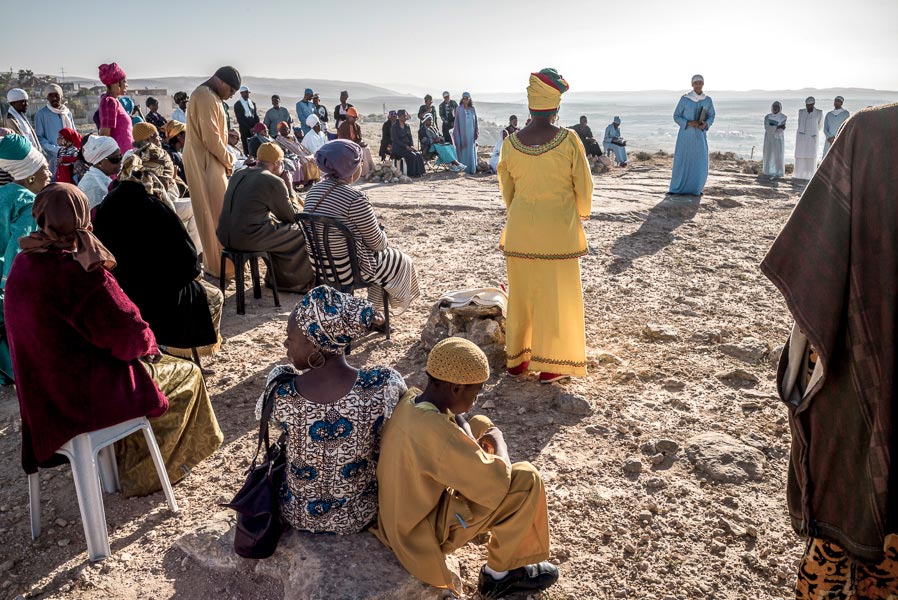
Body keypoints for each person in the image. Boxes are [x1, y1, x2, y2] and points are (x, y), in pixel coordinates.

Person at [759, 103, 898, 600]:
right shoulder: (868, 132)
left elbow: (814, 260)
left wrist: (809, 357)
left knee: (844, 504)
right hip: (865, 360)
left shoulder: (873, 133)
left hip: (863, 362)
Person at [6, 183, 222, 497]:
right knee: (188, 375)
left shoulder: (23, 263)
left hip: (43, 397)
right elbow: (130, 336)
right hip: (88, 397)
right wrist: (151, 346)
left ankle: (122, 464)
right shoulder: (79, 272)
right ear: (82, 218)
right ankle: (146, 473)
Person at [373, 337, 557, 598]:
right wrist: (498, 441)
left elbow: (456, 420)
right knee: (526, 479)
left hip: (398, 518)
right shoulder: (436, 432)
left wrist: (475, 436)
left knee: (479, 422)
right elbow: (498, 482)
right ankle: (500, 576)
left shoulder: (412, 400)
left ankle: (506, 547)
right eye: (476, 391)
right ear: (457, 388)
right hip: (421, 533)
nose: (476, 397)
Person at [258, 285, 396, 533]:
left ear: (315, 345)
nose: (285, 343)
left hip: (298, 514)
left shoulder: (283, 391)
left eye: (291, 338)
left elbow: (274, 423)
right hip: (358, 514)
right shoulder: (380, 386)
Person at [497, 68, 592, 384]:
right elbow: (584, 186)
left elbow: (507, 189)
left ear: (530, 106)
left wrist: (520, 213)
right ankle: (552, 366)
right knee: (556, 297)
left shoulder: (511, 143)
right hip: (557, 233)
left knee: (522, 295)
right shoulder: (569, 140)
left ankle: (517, 362)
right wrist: (580, 212)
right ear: (557, 107)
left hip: (520, 229)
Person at [93, 150, 222, 359]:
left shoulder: (108, 203)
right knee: (214, 297)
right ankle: (180, 353)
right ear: (156, 177)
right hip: (160, 298)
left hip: (119, 292)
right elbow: (189, 261)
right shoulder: (154, 206)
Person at [303, 140, 420, 313]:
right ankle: (375, 313)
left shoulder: (313, 192)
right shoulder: (355, 199)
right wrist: (381, 232)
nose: (362, 165)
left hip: (321, 266)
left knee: (381, 260)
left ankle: (372, 311)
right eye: (360, 162)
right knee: (401, 260)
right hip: (349, 269)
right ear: (349, 168)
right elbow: (378, 244)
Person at [217, 142, 315, 293]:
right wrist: (289, 187)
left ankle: (275, 277)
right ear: (277, 164)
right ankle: (291, 283)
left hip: (224, 235)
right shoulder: (273, 181)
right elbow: (291, 216)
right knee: (302, 232)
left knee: (278, 230)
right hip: (248, 238)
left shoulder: (239, 174)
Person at [0, 134, 50, 384]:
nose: (49, 171)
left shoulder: (4, 194)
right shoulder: (27, 202)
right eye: (44, 167)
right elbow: (18, 260)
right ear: (30, 174)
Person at [182, 65, 240, 279]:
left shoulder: (209, 96)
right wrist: (230, 159)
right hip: (206, 162)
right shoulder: (205, 96)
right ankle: (219, 267)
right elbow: (211, 139)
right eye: (231, 91)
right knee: (215, 213)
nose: (231, 96)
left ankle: (222, 265)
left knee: (217, 212)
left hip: (210, 161)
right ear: (222, 82)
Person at [669, 74, 716, 196]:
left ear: (703, 84)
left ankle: (696, 189)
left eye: (700, 82)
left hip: (700, 136)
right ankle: (677, 189)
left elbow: (712, 115)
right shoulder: (685, 99)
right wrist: (689, 123)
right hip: (686, 136)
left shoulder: (707, 100)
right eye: (696, 83)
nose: (698, 85)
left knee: (699, 161)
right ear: (692, 84)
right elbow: (676, 116)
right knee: (683, 160)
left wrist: (705, 124)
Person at [34, 84, 76, 177]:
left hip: (70, 156)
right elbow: (40, 138)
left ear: (61, 96)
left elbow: (74, 134)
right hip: (53, 158)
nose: (54, 98)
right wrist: (56, 150)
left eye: (56, 95)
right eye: (50, 95)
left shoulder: (67, 113)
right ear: (47, 98)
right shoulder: (41, 114)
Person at [97, 63, 133, 154]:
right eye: (124, 82)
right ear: (116, 84)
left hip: (126, 155)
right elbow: (105, 134)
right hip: (120, 157)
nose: (126, 85)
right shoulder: (109, 102)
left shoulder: (115, 101)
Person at [77, 135, 121, 208]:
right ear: (99, 162)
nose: (120, 162)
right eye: (115, 159)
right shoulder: (95, 187)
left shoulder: (99, 178)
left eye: (120, 157)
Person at [275, 122, 321, 187]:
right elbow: (284, 150)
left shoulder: (292, 137)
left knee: (312, 159)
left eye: (287, 128)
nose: (286, 130)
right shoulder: (279, 139)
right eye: (283, 129)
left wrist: (306, 153)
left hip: (301, 153)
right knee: (305, 162)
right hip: (292, 155)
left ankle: (312, 180)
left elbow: (300, 146)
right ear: (279, 131)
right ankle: (307, 182)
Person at [337, 107, 375, 175]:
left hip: (356, 145)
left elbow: (359, 138)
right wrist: (356, 144)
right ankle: (363, 172)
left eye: (356, 118)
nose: (355, 119)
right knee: (362, 150)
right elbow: (343, 140)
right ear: (348, 117)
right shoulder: (342, 127)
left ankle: (370, 170)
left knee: (366, 149)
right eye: (353, 118)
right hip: (346, 146)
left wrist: (360, 143)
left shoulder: (357, 126)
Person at [794, 96, 823, 181]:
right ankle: (799, 175)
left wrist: (812, 132)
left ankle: (810, 176)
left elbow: (820, 126)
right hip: (801, 138)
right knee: (801, 155)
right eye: (807, 105)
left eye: (810, 105)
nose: (808, 107)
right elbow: (799, 123)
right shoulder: (801, 112)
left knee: (811, 157)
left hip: (812, 138)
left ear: (813, 104)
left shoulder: (819, 112)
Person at [391, 110, 425, 177]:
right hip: (398, 148)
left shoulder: (407, 126)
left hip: (407, 147)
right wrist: (406, 146)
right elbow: (396, 140)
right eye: (404, 116)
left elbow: (410, 137)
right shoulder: (394, 127)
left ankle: (420, 172)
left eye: (406, 116)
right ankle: (412, 173)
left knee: (418, 154)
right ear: (399, 117)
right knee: (412, 155)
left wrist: (411, 145)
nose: (406, 117)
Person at [453, 92, 478, 175]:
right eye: (464, 98)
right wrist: (456, 134)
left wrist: (476, 131)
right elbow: (456, 123)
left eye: (467, 98)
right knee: (464, 150)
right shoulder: (459, 109)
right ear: (462, 99)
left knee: (470, 150)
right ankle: (463, 169)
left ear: (469, 99)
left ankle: (471, 169)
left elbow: (476, 122)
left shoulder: (472, 109)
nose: (465, 100)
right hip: (462, 134)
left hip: (471, 134)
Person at [762, 101, 787, 179]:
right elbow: (767, 128)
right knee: (768, 154)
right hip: (769, 139)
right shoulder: (767, 117)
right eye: (774, 107)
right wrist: (777, 127)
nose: (776, 108)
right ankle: (767, 171)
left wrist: (774, 127)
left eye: (777, 107)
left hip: (778, 139)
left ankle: (778, 172)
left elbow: (781, 130)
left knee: (778, 155)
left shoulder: (783, 117)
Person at [234, 85, 260, 155]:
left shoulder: (252, 103)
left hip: (254, 129)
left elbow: (255, 116)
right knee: (246, 146)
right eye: (245, 92)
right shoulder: (238, 105)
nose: (247, 94)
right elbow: (240, 119)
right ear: (241, 93)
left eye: (248, 93)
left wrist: (256, 127)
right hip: (244, 129)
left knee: (254, 145)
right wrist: (249, 128)